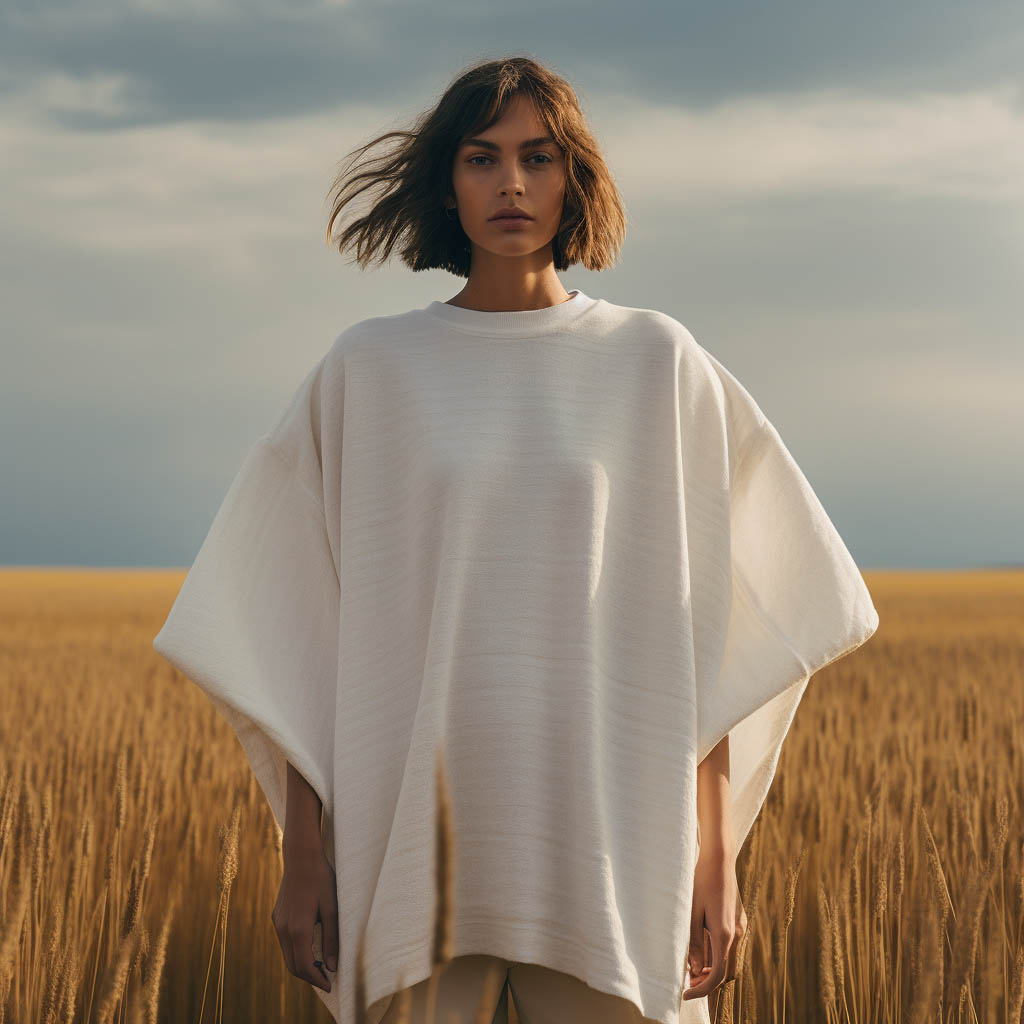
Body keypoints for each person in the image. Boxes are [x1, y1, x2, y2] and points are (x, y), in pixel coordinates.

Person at [153, 56, 879, 1024]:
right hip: (409, 846)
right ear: (446, 184)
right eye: (481, 158)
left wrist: (716, 858)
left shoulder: (654, 361)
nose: (510, 185)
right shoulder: (369, 371)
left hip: (613, 845)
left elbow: (705, 618)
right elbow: (298, 619)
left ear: (574, 179)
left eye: (538, 158)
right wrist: (302, 853)